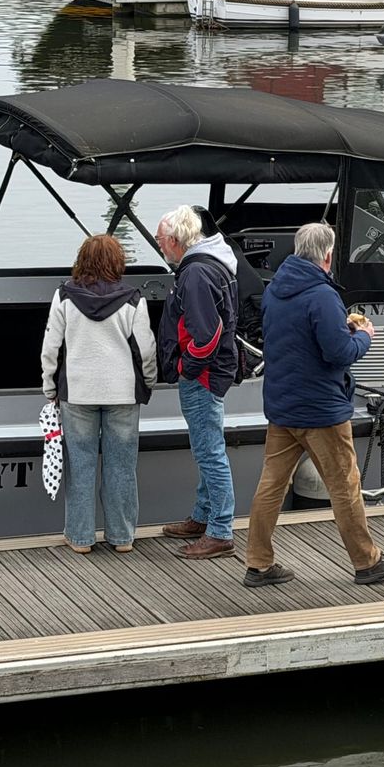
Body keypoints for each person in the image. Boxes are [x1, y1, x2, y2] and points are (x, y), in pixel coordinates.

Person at [241, 222, 384, 588]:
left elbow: (294, 337)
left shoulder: (276, 290)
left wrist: (339, 325)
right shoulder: (322, 295)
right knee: (345, 485)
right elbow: (339, 354)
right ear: (328, 255)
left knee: (270, 484)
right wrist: (363, 335)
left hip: (283, 405)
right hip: (321, 410)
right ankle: (367, 561)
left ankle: (258, 563)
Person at [41, 235, 157, 555]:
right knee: (121, 466)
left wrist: (49, 386)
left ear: (82, 261)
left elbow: (51, 347)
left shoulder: (64, 296)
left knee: (80, 464)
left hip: (77, 393)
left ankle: (80, 538)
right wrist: (148, 382)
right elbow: (146, 349)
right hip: (123, 393)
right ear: (117, 262)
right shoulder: (133, 299)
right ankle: (122, 537)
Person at [155, 205, 240, 559]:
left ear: (175, 240)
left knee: (209, 451)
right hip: (211, 371)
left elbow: (207, 333)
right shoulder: (210, 263)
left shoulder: (194, 275)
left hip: (202, 375)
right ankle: (204, 516)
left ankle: (220, 530)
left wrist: (186, 367)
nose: (160, 246)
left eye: (161, 240)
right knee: (206, 447)